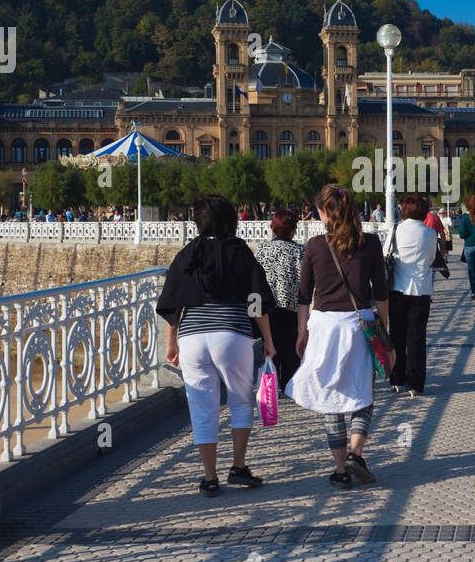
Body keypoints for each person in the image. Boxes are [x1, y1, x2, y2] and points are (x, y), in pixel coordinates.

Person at [156, 195, 277, 496]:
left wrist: (172, 344)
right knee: (240, 402)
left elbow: (174, 304)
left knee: (203, 409)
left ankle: (210, 477)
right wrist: (270, 343)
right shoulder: (240, 252)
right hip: (232, 334)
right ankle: (238, 467)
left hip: (193, 338)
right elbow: (256, 302)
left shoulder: (187, 254)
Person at [290, 184, 393, 487]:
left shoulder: (314, 246)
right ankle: (356, 454)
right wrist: (383, 326)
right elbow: (381, 291)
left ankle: (340, 470)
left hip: (323, 327)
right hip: (359, 323)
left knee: (329, 396)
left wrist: (301, 332)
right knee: (362, 392)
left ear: (322, 212)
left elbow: (303, 294)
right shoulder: (371, 243)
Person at [388, 195, 438, 396]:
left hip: (398, 289)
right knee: (416, 338)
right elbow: (431, 258)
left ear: (404, 210)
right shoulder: (430, 233)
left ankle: (397, 379)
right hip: (421, 290)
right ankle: (415, 383)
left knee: (397, 336)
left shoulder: (396, 230)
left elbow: (387, 253)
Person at [253, 209, 304, 392]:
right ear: (293, 229)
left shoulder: (261, 250)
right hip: (291, 309)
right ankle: (289, 387)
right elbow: (304, 284)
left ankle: (270, 388)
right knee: (291, 350)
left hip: (266, 310)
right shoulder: (299, 251)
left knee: (269, 347)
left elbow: (253, 283)